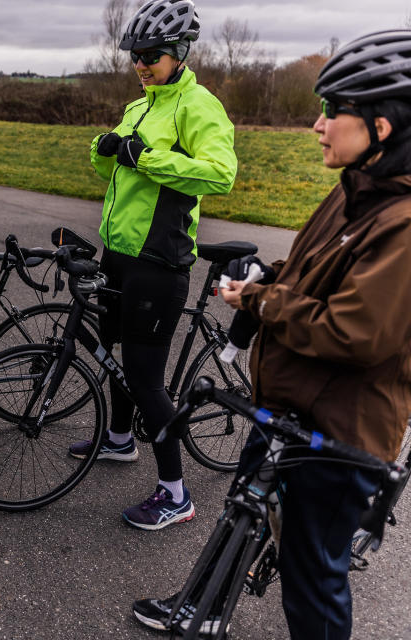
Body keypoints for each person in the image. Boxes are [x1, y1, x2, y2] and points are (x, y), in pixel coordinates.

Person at [134, 28, 411, 639]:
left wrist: (261, 299)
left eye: (333, 110)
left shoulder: (402, 224)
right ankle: (199, 610)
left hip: (338, 437)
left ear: (381, 128)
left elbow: (355, 332)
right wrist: (262, 276)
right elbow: (305, 272)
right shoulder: (353, 194)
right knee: (240, 515)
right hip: (284, 413)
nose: (318, 124)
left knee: (311, 577)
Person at [68, 0, 237, 529]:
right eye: (135, 55)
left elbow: (220, 174)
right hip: (119, 253)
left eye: (152, 55)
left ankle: (176, 495)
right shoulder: (141, 105)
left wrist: (146, 156)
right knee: (113, 357)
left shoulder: (197, 105)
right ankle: (119, 441)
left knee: (145, 380)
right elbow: (117, 177)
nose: (141, 63)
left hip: (159, 262)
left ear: (180, 52)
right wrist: (106, 148)